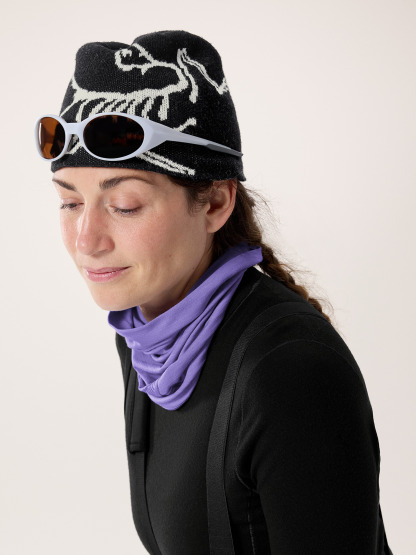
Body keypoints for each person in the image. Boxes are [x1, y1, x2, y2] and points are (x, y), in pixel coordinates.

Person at [35, 30, 394, 554]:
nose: (87, 240)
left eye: (125, 205)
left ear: (216, 203)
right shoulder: (146, 338)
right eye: (70, 203)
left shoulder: (291, 371)